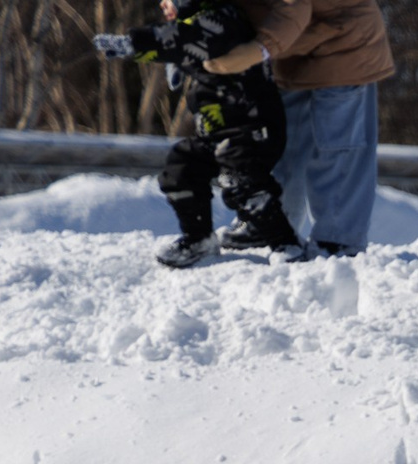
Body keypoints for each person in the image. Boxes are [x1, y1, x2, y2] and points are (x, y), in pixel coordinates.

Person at [95, 0, 301, 268]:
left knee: (240, 180)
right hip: (218, 135)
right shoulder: (199, 26)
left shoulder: (221, 20)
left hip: (253, 131)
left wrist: (134, 43)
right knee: (181, 166)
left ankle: (285, 244)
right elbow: (182, 43)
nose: (163, 5)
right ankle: (199, 238)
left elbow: (181, 39)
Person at [245, 0, 395, 257]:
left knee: (340, 146)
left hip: (344, 39)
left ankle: (338, 240)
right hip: (293, 47)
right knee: (281, 145)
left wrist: (258, 48)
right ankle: (275, 226)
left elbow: (294, 7)